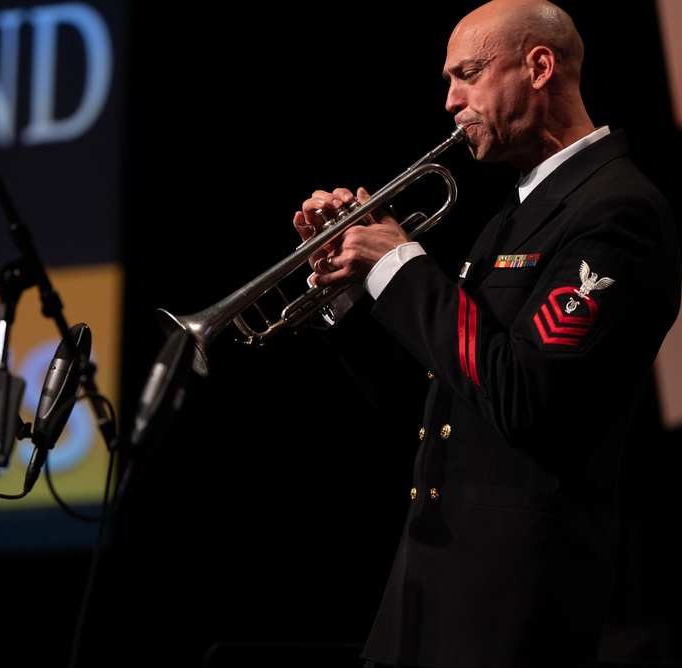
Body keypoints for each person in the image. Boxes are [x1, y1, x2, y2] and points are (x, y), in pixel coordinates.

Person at [291, 1, 682, 667]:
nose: (451, 101)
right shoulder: (509, 217)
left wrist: (399, 263)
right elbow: (442, 400)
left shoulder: (618, 210)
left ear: (537, 66)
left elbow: (526, 394)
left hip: (509, 610)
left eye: (468, 74)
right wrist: (352, 291)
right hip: (421, 594)